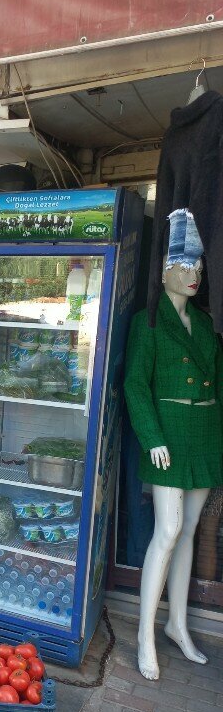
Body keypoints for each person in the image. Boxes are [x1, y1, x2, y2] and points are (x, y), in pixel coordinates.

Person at [124, 208, 221, 680]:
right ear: (162, 272)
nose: (193, 276)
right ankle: (145, 633)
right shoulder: (148, 323)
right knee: (167, 531)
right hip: (167, 436)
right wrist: (153, 438)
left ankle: (177, 626)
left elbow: (217, 388)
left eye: (198, 269)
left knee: (188, 532)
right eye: (184, 267)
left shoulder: (204, 326)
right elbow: (135, 386)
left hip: (202, 436)